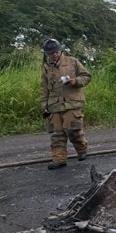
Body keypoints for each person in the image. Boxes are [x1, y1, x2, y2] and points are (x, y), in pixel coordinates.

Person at [39, 38, 92, 170]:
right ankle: (59, 159)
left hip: (72, 103)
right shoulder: (46, 68)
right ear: (47, 54)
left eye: (56, 52)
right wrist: (44, 106)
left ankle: (82, 150)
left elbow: (87, 76)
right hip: (54, 106)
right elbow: (44, 89)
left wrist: (75, 81)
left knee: (74, 130)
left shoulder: (72, 61)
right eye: (51, 53)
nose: (54, 55)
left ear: (60, 50)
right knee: (57, 134)